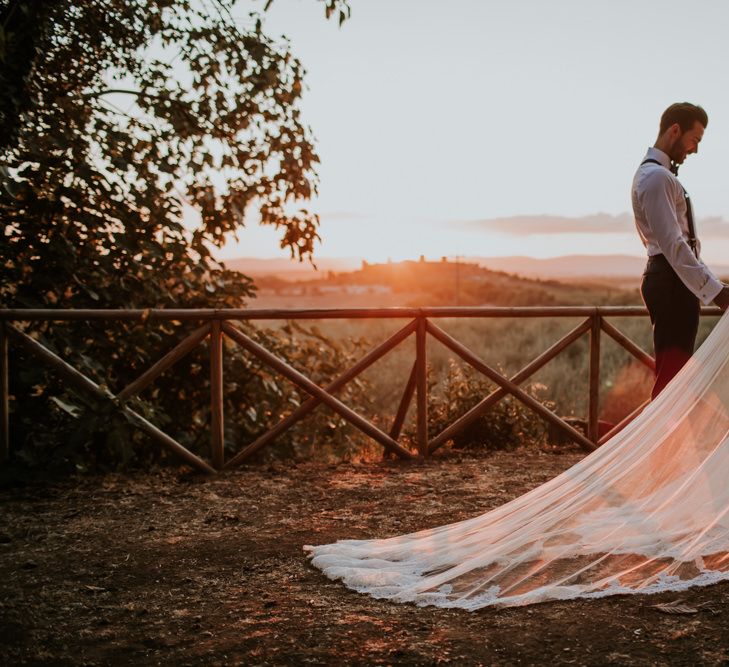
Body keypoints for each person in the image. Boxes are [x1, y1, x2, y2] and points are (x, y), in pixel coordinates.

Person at [631, 102, 729, 399]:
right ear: (675, 130)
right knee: (671, 382)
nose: (695, 149)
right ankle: (660, 447)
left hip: (672, 280)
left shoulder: (658, 176)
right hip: (671, 282)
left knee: (675, 378)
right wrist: (716, 292)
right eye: (694, 139)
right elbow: (673, 245)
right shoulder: (657, 178)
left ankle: (668, 446)